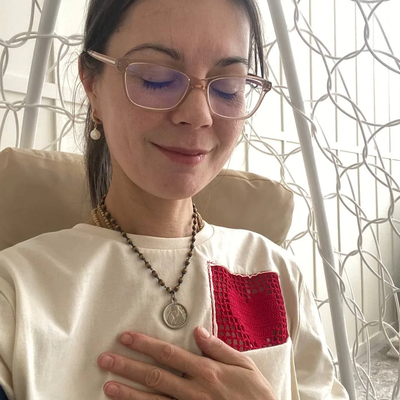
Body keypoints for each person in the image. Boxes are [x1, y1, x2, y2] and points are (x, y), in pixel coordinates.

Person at [0, 0, 349, 399]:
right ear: (92, 86)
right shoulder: (17, 291)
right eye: (156, 79)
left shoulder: (275, 273)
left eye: (228, 87)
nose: (198, 114)